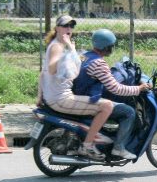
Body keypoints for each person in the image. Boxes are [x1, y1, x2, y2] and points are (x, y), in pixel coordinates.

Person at [36, 15, 113, 161]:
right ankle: (88, 146)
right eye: (65, 26)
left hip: (52, 97)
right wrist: (71, 47)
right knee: (107, 106)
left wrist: (39, 96)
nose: (69, 29)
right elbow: (52, 69)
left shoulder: (54, 44)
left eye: (71, 26)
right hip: (61, 99)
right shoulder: (58, 46)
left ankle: (84, 137)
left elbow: (43, 72)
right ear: (57, 28)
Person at [73, 29, 151, 160]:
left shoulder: (85, 56)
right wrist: (138, 88)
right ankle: (118, 148)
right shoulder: (99, 63)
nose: (112, 48)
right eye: (111, 46)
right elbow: (116, 89)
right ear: (106, 46)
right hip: (89, 100)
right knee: (129, 112)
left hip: (80, 95)